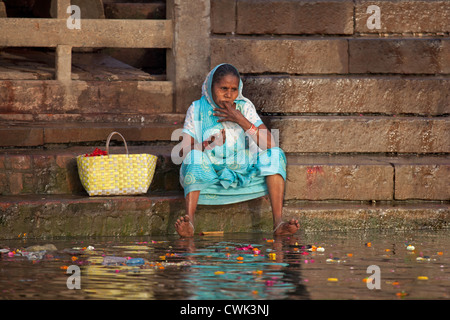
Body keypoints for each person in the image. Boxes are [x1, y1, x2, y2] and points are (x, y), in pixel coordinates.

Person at [174, 63, 299, 237]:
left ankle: (278, 223)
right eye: (223, 88)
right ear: (212, 87)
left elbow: (272, 144)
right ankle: (190, 224)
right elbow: (183, 153)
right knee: (194, 156)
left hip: (242, 172)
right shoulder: (196, 109)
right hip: (209, 174)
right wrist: (207, 144)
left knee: (276, 155)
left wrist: (241, 120)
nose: (228, 94)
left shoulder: (244, 107)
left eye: (233, 89)